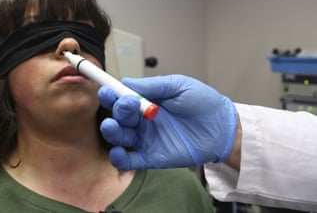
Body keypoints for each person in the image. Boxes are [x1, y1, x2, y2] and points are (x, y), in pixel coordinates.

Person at [0, 0, 214, 213]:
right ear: (5, 69)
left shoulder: (180, 192)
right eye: (40, 33)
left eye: (83, 33)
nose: (69, 43)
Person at [98, 74, 317, 212]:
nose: (70, 44)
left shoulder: (181, 186)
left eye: (85, 36)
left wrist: (231, 135)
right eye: (60, 29)